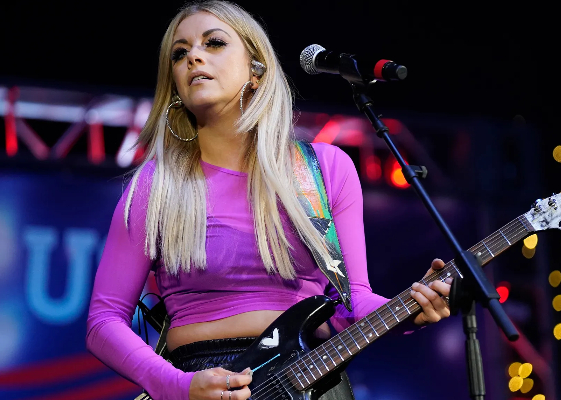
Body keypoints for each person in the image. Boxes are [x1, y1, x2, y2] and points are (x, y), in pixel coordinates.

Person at [86, 1, 453, 399]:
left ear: (256, 70)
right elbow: (104, 321)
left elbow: (353, 304)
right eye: (180, 53)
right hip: (203, 383)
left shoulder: (323, 169)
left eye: (213, 43)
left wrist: (408, 310)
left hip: (309, 379)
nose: (193, 57)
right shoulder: (155, 187)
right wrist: (178, 385)